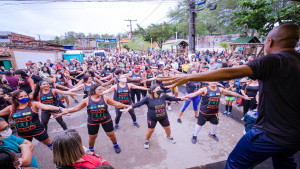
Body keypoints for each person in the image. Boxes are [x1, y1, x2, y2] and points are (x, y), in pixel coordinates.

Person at [157, 23, 300, 169]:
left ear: (270, 41)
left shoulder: (274, 60)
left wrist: (188, 77)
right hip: (295, 136)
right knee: (285, 162)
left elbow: (231, 72)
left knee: (235, 163)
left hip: (271, 133)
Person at [54, 84, 129, 153]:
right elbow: (76, 108)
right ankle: (91, 150)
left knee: (111, 134)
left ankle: (115, 145)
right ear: (94, 90)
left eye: (101, 89)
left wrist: (128, 106)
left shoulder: (105, 98)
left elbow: (117, 103)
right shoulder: (86, 100)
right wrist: (64, 112)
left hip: (106, 119)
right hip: (92, 121)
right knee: (92, 137)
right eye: (99, 89)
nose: (101, 91)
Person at [121, 85, 187, 149]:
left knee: (167, 127)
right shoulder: (147, 98)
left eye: (160, 88)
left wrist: (182, 98)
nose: (160, 90)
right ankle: (147, 141)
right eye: (158, 89)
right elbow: (139, 103)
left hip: (163, 117)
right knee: (150, 130)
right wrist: (129, 108)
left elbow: (173, 98)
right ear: (153, 91)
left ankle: (169, 137)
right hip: (152, 117)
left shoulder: (163, 96)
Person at [182, 81, 251, 143]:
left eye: (215, 81)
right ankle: (194, 135)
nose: (213, 82)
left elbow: (231, 93)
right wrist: (183, 97)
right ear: (208, 82)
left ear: (217, 82)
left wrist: (243, 97)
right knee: (200, 124)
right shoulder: (204, 89)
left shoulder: (220, 89)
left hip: (214, 112)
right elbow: (194, 94)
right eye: (211, 81)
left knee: (215, 123)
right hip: (204, 112)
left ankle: (211, 134)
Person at [0, 90, 65, 149]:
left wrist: (60, 108)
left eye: (25, 95)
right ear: (16, 99)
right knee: (25, 149)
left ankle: (62, 157)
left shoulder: (33, 104)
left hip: (38, 131)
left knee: (50, 144)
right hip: (22, 133)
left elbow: (46, 106)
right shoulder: (11, 108)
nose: (24, 98)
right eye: (21, 96)